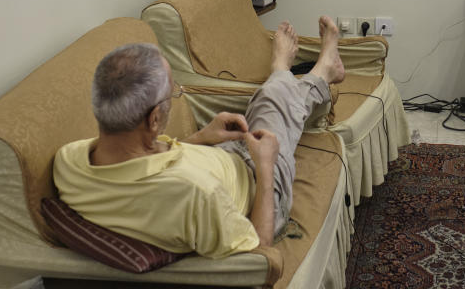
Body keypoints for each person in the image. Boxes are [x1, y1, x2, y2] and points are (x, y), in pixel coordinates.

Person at [53, 16, 345, 259]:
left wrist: (203, 137)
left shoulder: (70, 161)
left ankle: (299, 72)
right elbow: (258, 250)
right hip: (258, 190)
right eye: (173, 93)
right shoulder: (194, 194)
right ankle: (313, 70)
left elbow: (147, 161)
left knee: (270, 102)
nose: (175, 94)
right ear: (154, 119)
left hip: (223, 157)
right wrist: (266, 166)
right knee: (274, 104)